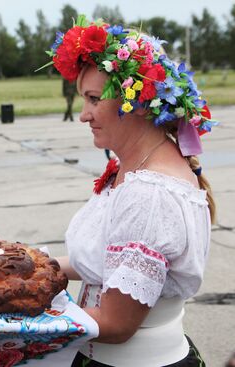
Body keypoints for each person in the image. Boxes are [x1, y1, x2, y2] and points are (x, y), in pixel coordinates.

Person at [44, 16, 218, 366]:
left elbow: (116, 324)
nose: (83, 115)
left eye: (93, 99)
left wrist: (18, 320)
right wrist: (37, 267)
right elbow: (107, 263)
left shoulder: (149, 195)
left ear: (136, 102)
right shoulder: (136, 169)